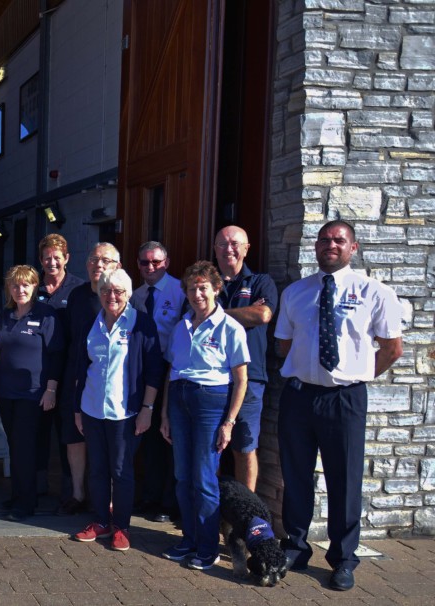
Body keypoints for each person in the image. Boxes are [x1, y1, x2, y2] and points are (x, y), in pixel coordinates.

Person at [274, 220, 402, 591]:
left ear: (353, 247)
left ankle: (343, 558)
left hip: (344, 398)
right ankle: (295, 548)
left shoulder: (373, 292)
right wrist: (308, 370)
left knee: (344, 480)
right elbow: (285, 343)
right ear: (316, 246)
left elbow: (392, 349)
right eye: (325, 239)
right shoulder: (296, 293)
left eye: (339, 240)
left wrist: (355, 375)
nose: (331, 245)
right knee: (295, 475)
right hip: (299, 396)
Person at [161, 261, 249, 571]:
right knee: (182, 476)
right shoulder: (181, 326)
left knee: (203, 478)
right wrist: (164, 414)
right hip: (180, 399)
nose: (197, 293)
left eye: (203, 287)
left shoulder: (229, 328)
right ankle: (189, 539)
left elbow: (241, 380)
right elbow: (171, 371)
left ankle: (208, 546)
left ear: (215, 289)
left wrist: (229, 422)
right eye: (191, 288)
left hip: (210, 402)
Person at [69, 269, 162, 551]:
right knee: (97, 468)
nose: (112, 296)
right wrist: (76, 409)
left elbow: (154, 371)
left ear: (128, 294)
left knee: (121, 471)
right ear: (100, 293)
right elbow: (79, 369)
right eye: (107, 291)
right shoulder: (90, 324)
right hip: (92, 408)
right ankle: (100, 520)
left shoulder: (141, 324)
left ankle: (121, 525)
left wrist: (147, 408)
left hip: (126, 412)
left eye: (119, 291)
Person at [0, 265, 64, 520]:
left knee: (25, 447)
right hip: (6, 393)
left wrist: (51, 389)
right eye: (15, 285)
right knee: (15, 446)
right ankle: (18, 494)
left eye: (25, 285)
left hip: (33, 394)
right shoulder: (5, 315)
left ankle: (26, 503)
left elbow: (56, 356)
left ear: (35, 287)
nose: (20, 289)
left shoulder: (46, 315)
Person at [213, 225, 278, 492]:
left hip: (250, 380)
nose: (229, 248)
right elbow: (191, 317)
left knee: (243, 446)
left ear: (246, 248)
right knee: (210, 448)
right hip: (212, 376)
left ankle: (245, 515)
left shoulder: (261, 281)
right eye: (223, 244)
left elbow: (262, 315)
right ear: (215, 249)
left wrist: (214, 315)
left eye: (235, 243)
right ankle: (210, 513)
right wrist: (240, 314)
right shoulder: (207, 282)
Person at [60, 242, 123, 515]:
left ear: (117, 266)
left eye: (106, 260)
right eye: (94, 260)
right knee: (75, 437)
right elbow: (68, 338)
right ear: (86, 265)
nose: (99, 265)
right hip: (75, 376)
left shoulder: (120, 297)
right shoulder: (76, 295)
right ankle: (77, 493)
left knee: (105, 440)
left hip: (109, 382)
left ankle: (107, 499)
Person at [130, 241, 185, 523]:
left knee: (169, 437)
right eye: (144, 262)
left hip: (171, 369)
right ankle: (150, 495)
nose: (150, 267)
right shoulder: (136, 295)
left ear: (167, 262)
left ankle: (169, 501)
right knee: (149, 437)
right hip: (144, 373)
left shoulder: (180, 291)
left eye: (156, 262)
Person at [33, 234, 85, 501]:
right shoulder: (33, 288)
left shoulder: (79, 289)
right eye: (46, 258)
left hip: (68, 374)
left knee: (68, 433)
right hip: (37, 373)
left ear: (66, 258)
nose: (51, 262)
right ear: (40, 260)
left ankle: (70, 491)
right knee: (38, 434)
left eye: (57, 257)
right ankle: (39, 487)